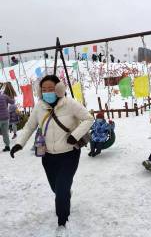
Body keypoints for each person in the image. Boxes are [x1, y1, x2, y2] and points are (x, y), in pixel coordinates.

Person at [10, 75, 93, 236]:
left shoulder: (69, 104)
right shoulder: (39, 106)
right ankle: (64, 195)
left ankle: (62, 222)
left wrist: (75, 135)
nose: (47, 91)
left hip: (69, 154)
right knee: (56, 188)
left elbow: (89, 119)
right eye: (44, 89)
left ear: (59, 88)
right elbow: (29, 127)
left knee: (61, 191)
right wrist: (19, 143)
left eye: (51, 88)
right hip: (48, 156)